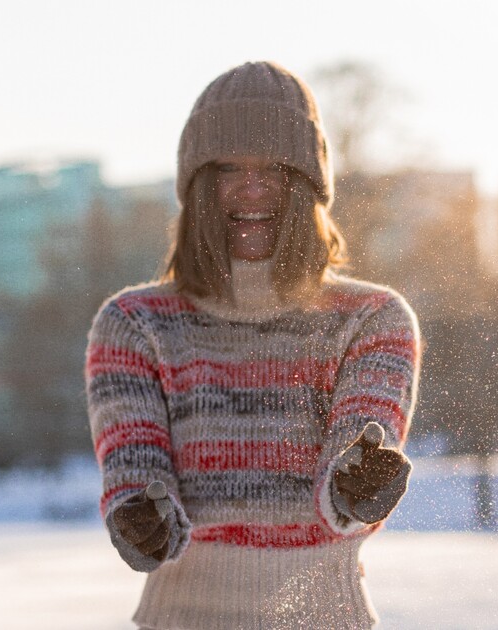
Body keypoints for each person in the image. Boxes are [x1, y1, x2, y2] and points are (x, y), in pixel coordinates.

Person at [85, 61, 421, 629]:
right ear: (196, 187)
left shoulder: (372, 320)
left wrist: (357, 485)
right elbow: (137, 473)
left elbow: (355, 456)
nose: (252, 188)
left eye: (275, 168)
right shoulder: (134, 325)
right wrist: (142, 520)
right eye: (228, 170)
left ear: (308, 185)